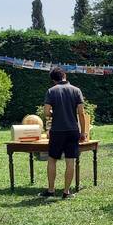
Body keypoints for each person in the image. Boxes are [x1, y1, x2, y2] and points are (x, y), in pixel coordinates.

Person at [40, 67, 87, 199]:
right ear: (64, 75)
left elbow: (46, 112)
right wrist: (83, 132)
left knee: (52, 160)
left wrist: (54, 113)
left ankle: (50, 190)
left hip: (57, 131)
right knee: (70, 160)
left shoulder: (51, 91)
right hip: (72, 131)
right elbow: (81, 114)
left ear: (53, 80)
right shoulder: (76, 90)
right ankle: (66, 192)